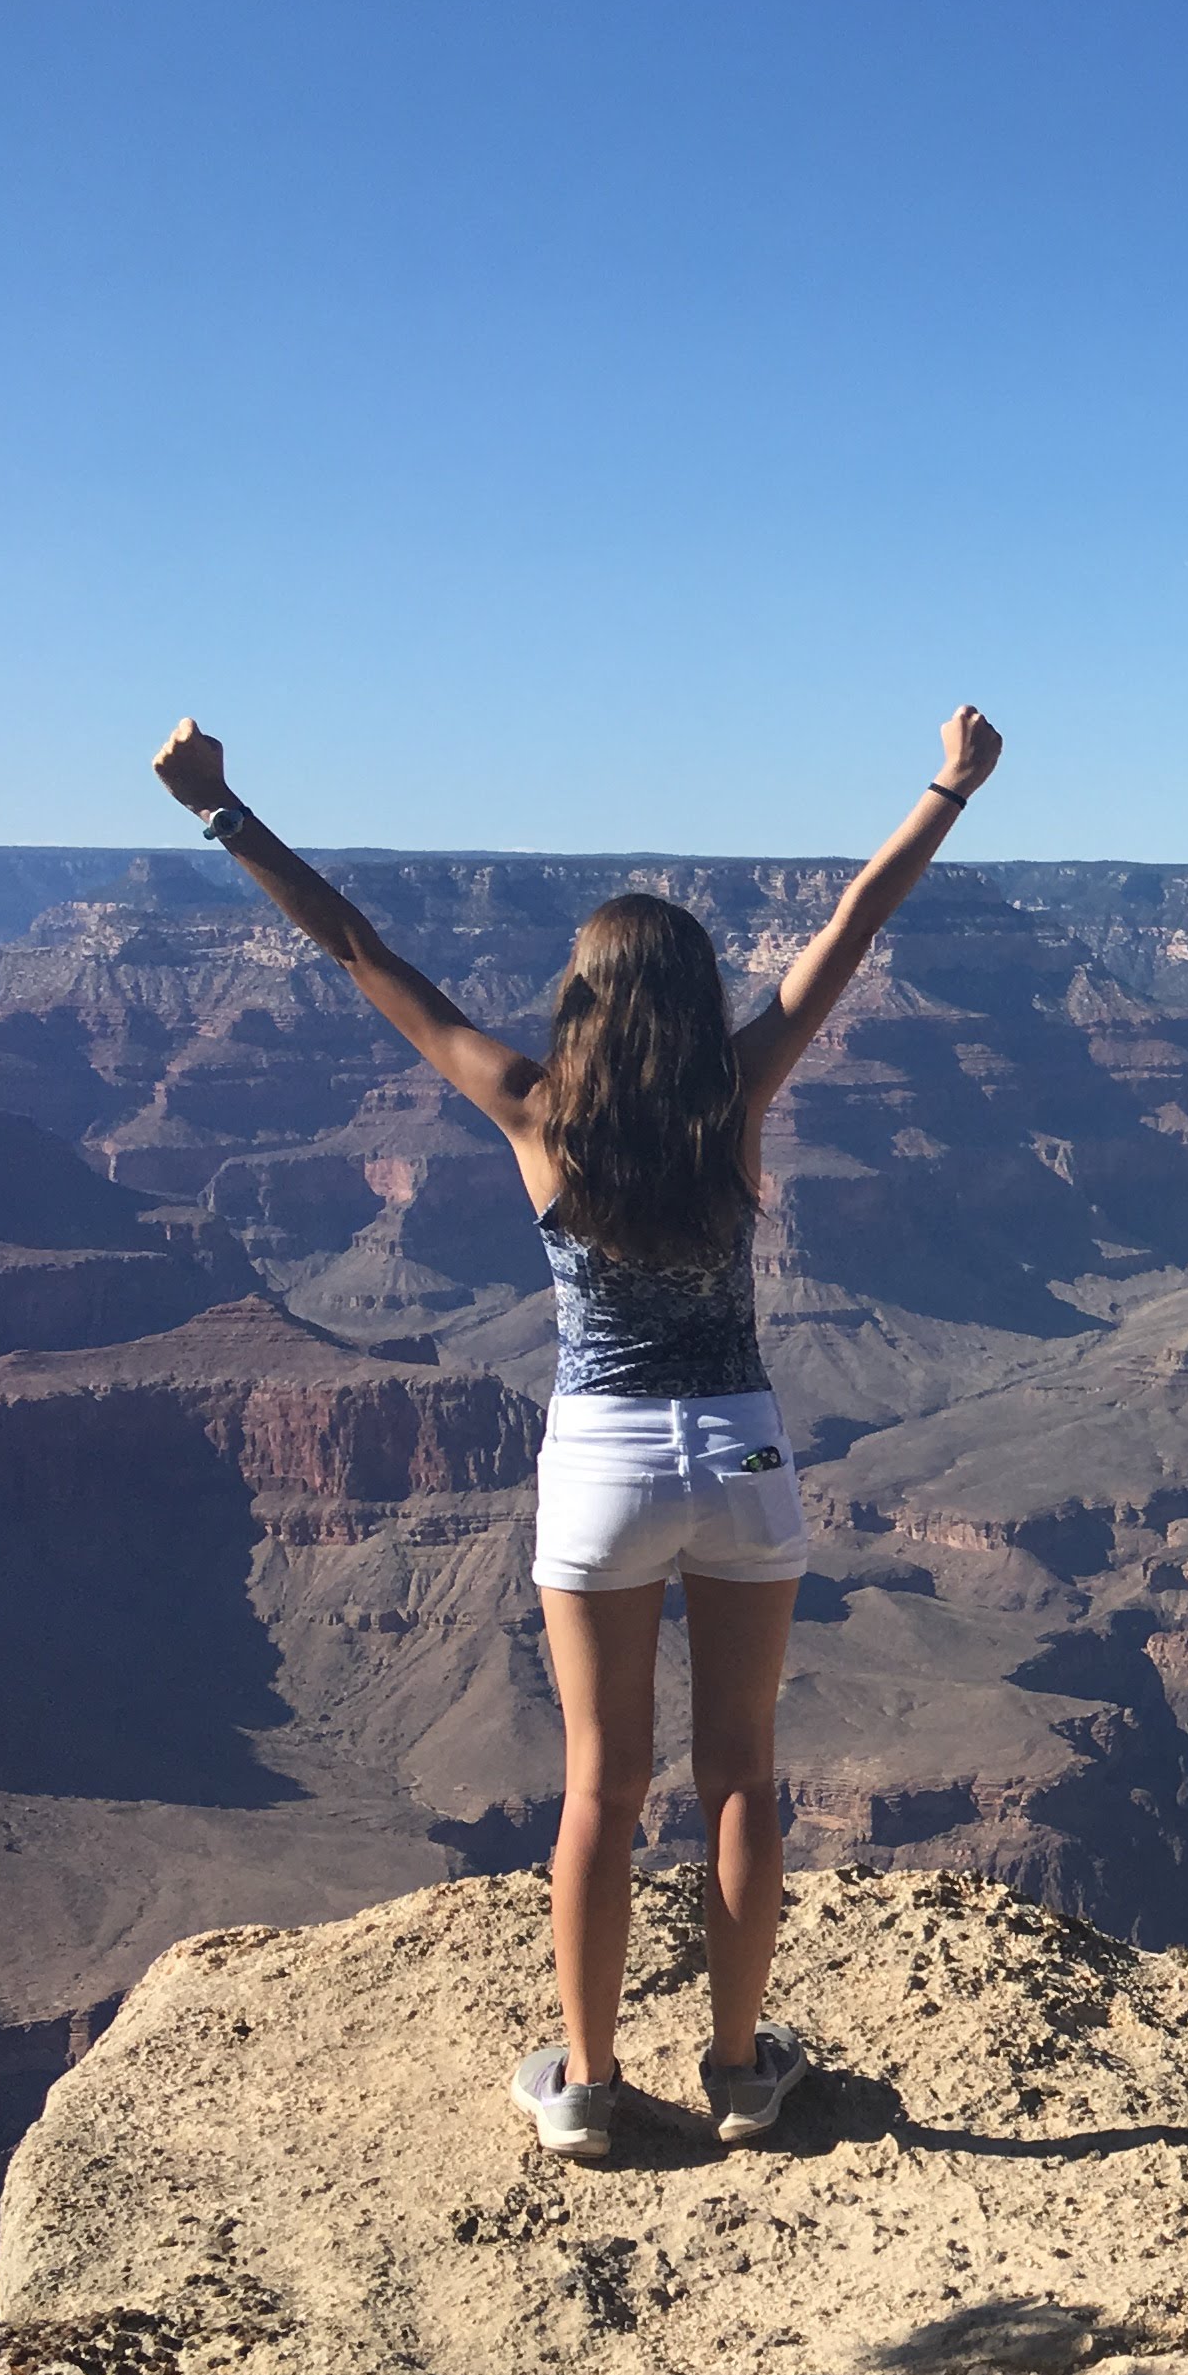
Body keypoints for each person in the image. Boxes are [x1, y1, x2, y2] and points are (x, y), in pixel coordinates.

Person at [150, 706, 1005, 2159]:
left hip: (604, 1462)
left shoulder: (532, 1110)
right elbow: (854, 926)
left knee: (602, 1784)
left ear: (585, 999)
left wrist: (223, 814)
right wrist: (950, 787)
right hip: (742, 1451)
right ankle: (743, 2071)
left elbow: (362, 953)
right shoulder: (737, 1091)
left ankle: (590, 2087)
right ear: (692, 998)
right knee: (742, 1774)